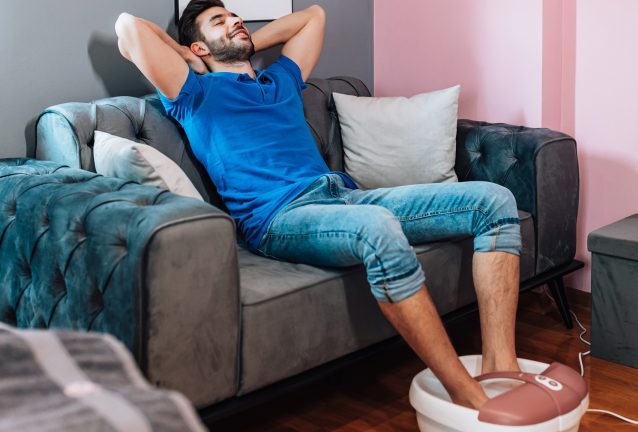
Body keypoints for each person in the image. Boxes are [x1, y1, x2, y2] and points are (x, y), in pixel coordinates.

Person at [115, 0, 522, 410]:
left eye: (235, 16)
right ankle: (464, 392)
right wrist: (185, 55)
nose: (235, 20)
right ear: (200, 47)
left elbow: (314, 16)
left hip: (342, 194)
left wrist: (240, 40)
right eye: (219, 21)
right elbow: (127, 27)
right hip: (280, 216)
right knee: (376, 227)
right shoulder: (194, 94)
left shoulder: (280, 79)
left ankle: (501, 367)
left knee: (494, 200)